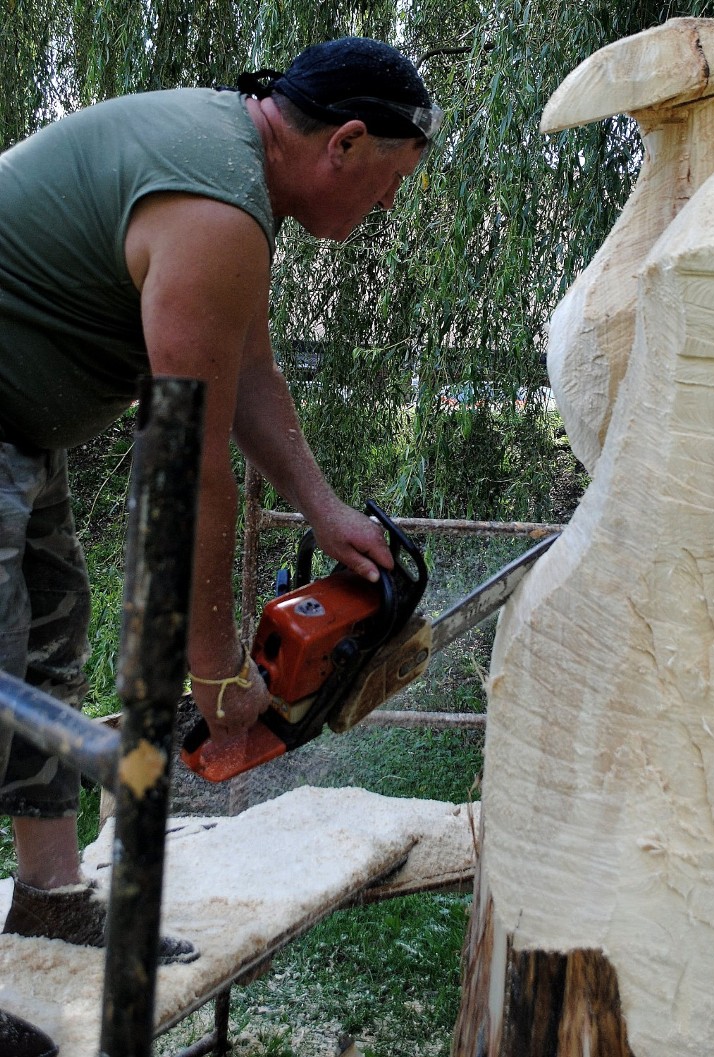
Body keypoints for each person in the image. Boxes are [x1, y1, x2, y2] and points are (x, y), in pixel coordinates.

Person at [0, 34, 440, 1049]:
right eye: (391, 184)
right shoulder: (215, 205)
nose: (386, 208)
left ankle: (51, 896)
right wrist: (215, 672)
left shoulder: (231, 183)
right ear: (348, 142)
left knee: (44, 643)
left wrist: (325, 511)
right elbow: (188, 469)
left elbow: (250, 381)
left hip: (19, 429)